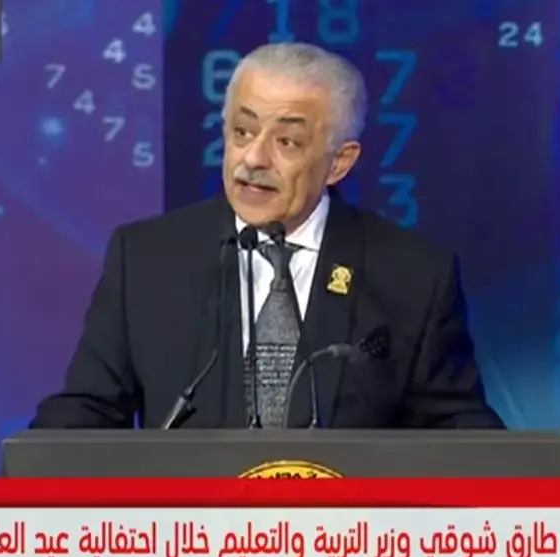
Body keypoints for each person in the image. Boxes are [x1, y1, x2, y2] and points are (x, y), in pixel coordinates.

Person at [31, 43, 503, 430]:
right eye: (242, 131)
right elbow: (87, 412)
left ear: (339, 162)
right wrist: (25, 474)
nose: (253, 159)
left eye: (287, 142)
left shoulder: (414, 276)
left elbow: (457, 433)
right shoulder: (146, 259)